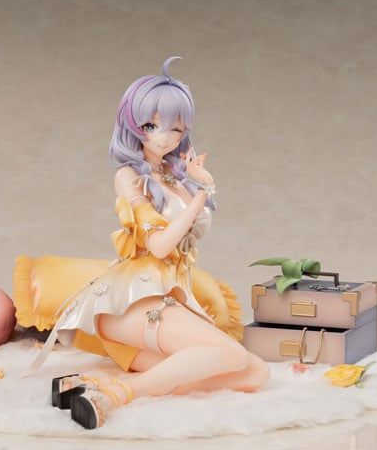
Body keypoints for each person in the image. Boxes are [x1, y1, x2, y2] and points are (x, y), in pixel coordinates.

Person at [15, 56, 270, 429]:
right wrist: (203, 192)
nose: (165, 137)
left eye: (176, 129)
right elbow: (161, 246)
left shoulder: (174, 176)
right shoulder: (129, 176)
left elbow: (189, 234)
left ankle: (90, 384)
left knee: (255, 372)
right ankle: (117, 396)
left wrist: (195, 185)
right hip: (132, 303)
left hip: (169, 296)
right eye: (152, 126)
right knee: (231, 354)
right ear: (133, 125)